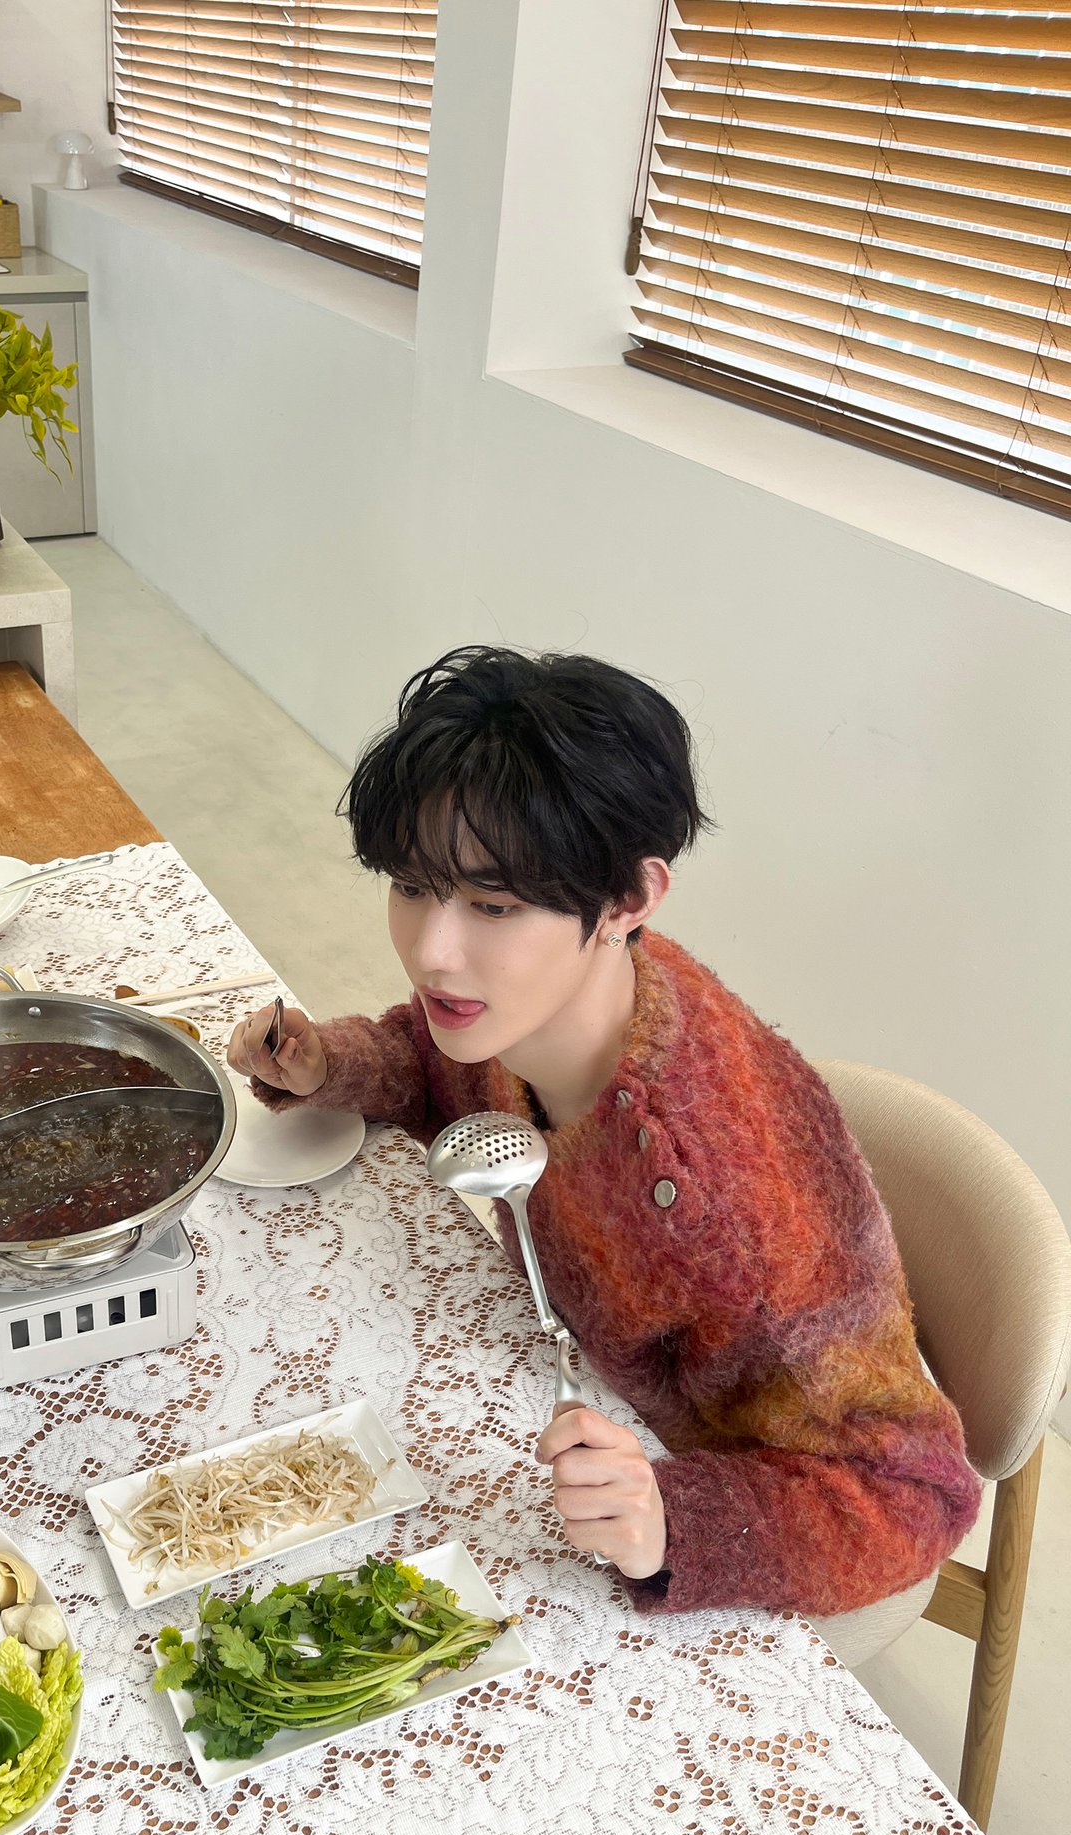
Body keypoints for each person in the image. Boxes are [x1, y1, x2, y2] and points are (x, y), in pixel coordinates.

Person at [228, 645, 980, 1617]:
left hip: (720, 1521)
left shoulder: (731, 1210)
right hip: (561, 1401)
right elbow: (440, 1065)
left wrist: (673, 1519)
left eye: (493, 905)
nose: (433, 950)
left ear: (629, 901)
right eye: (411, 886)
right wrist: (328, 1063)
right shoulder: (538, 997)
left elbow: (916, 1496)